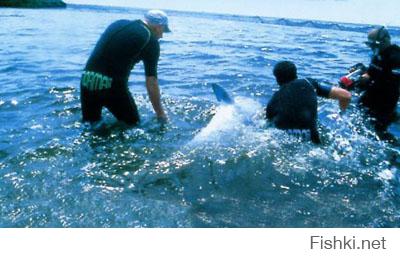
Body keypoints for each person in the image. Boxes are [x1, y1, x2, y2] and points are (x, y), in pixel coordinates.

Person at [80, 10, 170, 126]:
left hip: (87, 80)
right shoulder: (151, 41)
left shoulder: (119, 23)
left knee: (90, 126)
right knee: (133, 126)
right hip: (111, 86)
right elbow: (151, 81)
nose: (161, 35)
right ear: (158, 27)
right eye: (163, 30)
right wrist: (160, 114)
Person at [266, 61, 351, 143]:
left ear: (277, 79)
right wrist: (341, 114)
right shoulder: (308, 83)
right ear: (296, 73)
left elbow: (269, 123)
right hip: (312, 138)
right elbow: (346, 96)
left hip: (285, 139)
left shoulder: (273, 101)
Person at [357, 26, 400, 140]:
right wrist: (362, 72)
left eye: (375, 44)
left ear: (386, 40)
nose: (372, 48)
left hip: (385, 103)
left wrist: (370, 79)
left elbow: (391, 83)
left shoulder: (396, 57)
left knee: (378, 133)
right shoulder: (378, 53)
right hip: (371, 98)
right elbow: (372, 71)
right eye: (370, 45)